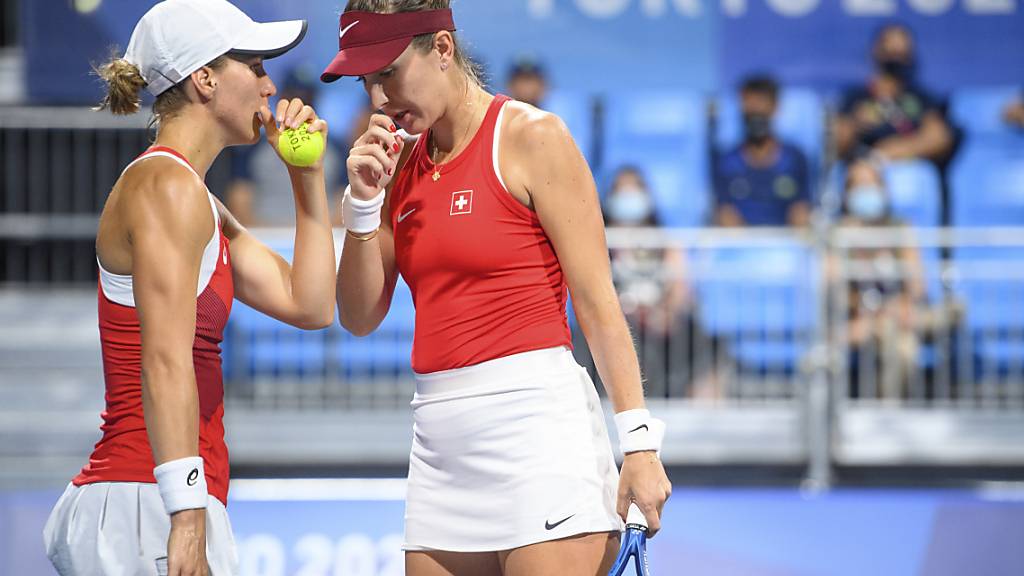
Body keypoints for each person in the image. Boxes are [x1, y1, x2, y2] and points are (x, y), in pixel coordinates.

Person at [322, 2, 671, 575]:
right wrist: (362, 206)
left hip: (539, 440)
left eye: (388, 73)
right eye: (367, 82)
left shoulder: (533, 137)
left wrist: (638, 443)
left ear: (441, 49)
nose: (379, 99)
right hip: (438, 450)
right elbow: (358, 316)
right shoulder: (394, 166)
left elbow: (597, 302)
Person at [42, 1, 337, 574]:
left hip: (160, 498)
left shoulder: (192, 196)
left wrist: (306, 180)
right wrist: (186, 516)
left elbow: (312, 304)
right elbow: (166, 360)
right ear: (204, 78)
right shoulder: (165, 187)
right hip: (148, 503)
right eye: (253, 66)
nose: (269, 84)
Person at [833, 159, 925, 400]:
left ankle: (888, 413)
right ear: (846, 194)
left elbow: (917, 285)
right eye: (858, 186)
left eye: (871, 184)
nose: (866, 191)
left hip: (895, 314)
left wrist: (898, 307)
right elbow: (833, 291)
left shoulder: (899, 228)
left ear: (883, 190)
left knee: (902, 343)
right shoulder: (837, 235)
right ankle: (888, 415)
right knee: (902, 345)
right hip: (859, 320)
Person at [602, 166, 692, 398]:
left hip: (660, 326)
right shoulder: (600, 244)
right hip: (618, 325)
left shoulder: (665, 243)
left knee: (691, 337)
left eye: (635, 190)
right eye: (623, 191)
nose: (629, 198)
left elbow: (680, 289)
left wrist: (664, 314)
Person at [225, 65, 346, 227]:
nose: (301, 104)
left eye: (307, 97)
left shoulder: (336, 147)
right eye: (294, 95)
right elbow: (239, 203)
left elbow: (343, 207)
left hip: (323, 236)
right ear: (282, 95)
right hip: (266, 238)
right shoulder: (253, 146)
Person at [833, 23, 953, 165]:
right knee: (862, 174)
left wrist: (892, 151)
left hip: (910, 167)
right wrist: (855, 124)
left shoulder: (921, 97)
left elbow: (939, 138)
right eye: (889, 50)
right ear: (875, 51)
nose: (895, 56)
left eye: (900, 52)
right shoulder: (855, 96)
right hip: (864, 168)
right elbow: (836, 144)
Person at [713, 75, 811, 227]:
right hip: (740, 246)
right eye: (749, 106)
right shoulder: (726, 162)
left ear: (775, 108)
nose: (755, 113)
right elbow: (725, 214)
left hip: (787, 247)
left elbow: (800, 212)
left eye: (761, 104)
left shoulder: (795, 160)